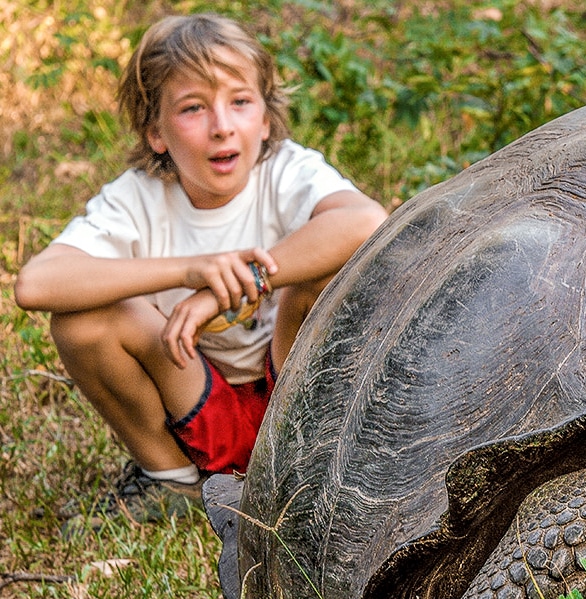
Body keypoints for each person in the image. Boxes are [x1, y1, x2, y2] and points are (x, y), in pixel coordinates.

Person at [14, 14, 388, 525]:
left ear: (264, 118)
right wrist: (191, 270)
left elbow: (366, 220)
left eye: (240, 101)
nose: (221, 126)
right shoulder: (139, 199)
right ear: (156, 132)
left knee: (326, 272)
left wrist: (235, 286)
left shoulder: (285, 171)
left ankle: (315, 469)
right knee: (81, 320)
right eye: (193, 108)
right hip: (194, 391)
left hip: (295, 400)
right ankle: (174, 482)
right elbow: (37, 283)